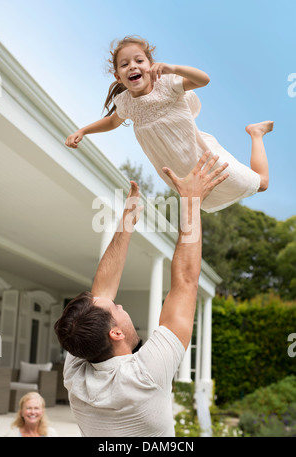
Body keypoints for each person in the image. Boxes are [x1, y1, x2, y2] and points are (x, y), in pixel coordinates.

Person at [54, 151, 229, 437]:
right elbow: (185, 280)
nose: (119, 304)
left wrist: (127, 222)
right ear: (116, 334)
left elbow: (102, 296)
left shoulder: (78, 370)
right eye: (115, 309)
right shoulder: (145, 374)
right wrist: (191, 201)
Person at [65, 35, 273, 213]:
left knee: (261, 184)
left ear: (151, 65)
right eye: (125, 64)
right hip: (178, 169)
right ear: (118, 76)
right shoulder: (126, 102)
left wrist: (173, 68)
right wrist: (83, 131)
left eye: (139, 60)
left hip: (202, 155)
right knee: (198, 201)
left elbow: (204, 80)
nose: (133, 66)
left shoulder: (167, 84)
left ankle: (256, 133)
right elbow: (111, 122)